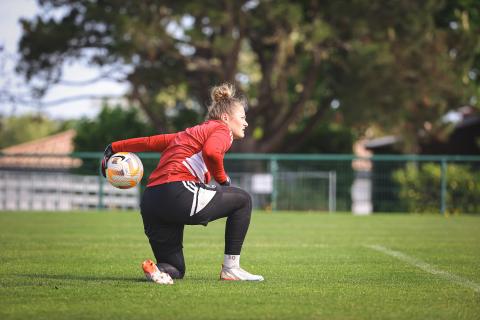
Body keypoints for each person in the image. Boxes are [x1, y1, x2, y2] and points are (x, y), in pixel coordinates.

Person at [101, 83, 264, 284]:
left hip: (151, 200)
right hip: (176, 191)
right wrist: (223, 181)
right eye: (242, 117)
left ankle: (157, 270)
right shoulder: (222, 130)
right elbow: (212, 152)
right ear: (225, 118)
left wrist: (113, 147)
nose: (246, 123)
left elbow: (150, 142)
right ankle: (231, 269)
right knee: (243, 200)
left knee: (175, 268)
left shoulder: (189, 134)